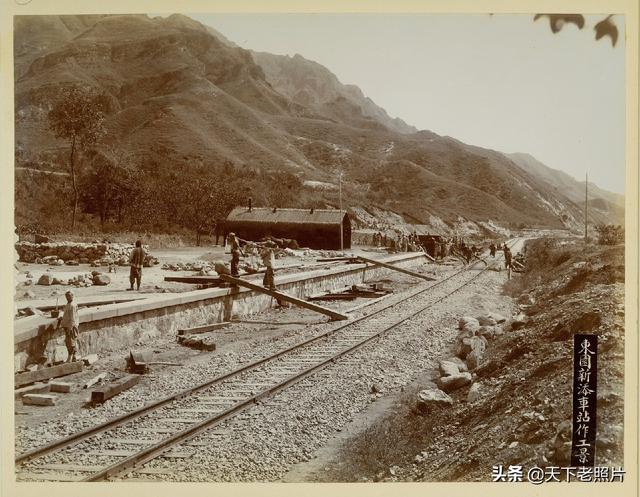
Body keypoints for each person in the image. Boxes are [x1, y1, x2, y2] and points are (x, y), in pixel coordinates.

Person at [57, 290, 79, 362]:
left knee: (70, 342)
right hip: (68, 325)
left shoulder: (72, 305)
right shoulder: (69, 304)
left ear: (72, 296)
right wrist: (62, 318)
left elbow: (72, 318)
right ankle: (74, 357)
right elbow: (68, 315)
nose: (67, 297)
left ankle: (70, 357)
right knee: (71, 341)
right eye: (66, 296)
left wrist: (70, 327)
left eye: (69, 296)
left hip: (70, 326)